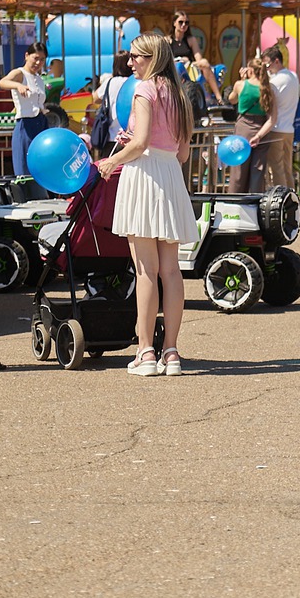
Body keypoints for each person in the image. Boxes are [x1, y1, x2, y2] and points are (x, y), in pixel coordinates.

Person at [96, 33, 198, 377]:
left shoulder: (144, 90)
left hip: (144, 175)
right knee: (171, 270)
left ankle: (145, 351)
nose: (130, 62)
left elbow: (139, 144)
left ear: (151, 57)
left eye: (136, 56)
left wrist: (112, 161)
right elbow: (183, 152)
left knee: (145, 270)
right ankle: (171, 352)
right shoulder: (179, 94)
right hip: (170, 174)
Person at [0, 42, 49, 177]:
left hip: (40, 124)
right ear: (27, 56)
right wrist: (18, 85)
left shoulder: (39, 78)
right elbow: (2, 82)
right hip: (26, 124)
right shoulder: (20, 72)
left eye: (42, 60)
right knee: (23, 169)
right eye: (35, 58)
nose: (38, 62)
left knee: (41, 167)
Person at [228, 57, 273, 194]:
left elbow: (232, 99)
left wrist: (241, 79)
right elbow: (272, 119)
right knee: (258, 172)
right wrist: (259, 135)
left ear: (251, 70)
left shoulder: (240, 85)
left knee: (239, 171)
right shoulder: (267, 88)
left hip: (244, 128)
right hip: (262, 130)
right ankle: (254, 205)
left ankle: (235, 203)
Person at [262, 44, 300, 190]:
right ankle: (292, 198)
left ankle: (282, 200)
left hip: (276, 128)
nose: (267, 68)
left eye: (268, 65)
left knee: (277, 169)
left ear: (276, 61)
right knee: (287, 168)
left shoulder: (275, 82)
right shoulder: (293, 76)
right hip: (289, 129)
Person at [93, 53, 134, 155]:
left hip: (110, 135)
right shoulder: (134, 82)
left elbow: (95, 98)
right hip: (130, 137)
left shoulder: (110, 81)